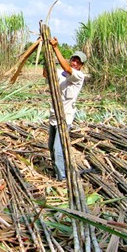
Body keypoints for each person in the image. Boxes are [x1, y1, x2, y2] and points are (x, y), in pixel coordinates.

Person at [43, 37, 87, 181]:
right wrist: (46, 52)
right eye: (73, 59)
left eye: (78, 62)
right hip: (53, 116)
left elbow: (67, 69)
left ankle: (62, 177)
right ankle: (57, 170)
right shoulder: (60, 73)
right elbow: (46, 73)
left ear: (81, 65)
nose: (74, 63)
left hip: (65, 118)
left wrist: (55, 48)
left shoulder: (78, 76)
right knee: (51, 147)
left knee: (58, 148)